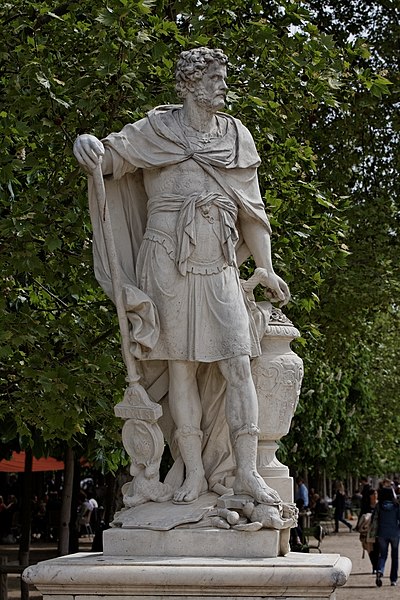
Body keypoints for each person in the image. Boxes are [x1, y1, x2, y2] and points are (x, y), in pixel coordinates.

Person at [74, 47, 290, 506]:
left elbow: (253, 212)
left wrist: (265, 265)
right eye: (215, 79)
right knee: (181, 368)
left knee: (237, 362)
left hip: (220, 260)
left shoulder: (236, 137)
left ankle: (246, 472)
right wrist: (88, 146)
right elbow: (109, 161)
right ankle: (191, 473)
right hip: (165, 257)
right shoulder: (156, 130)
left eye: (223, 78)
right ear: (190, 84)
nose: (223, 87)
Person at [374, 479, 400, 587]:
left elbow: (374, 519)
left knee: (383, 555)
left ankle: (380, 570)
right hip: (394, 532)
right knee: (395, 556)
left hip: (382, 532)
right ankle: (393, 579)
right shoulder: (396, 506)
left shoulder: (379, 506)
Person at [358, 488, 379, 573]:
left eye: (376, 494)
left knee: (377, 549)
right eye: (373, 494)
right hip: (367, 532)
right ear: (370, 496)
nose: (375, 495)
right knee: (370, 550)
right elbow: (361, 519)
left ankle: (377, 567)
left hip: (377, 531)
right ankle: (374, 566)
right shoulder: (366, 506)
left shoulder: (379, 505)